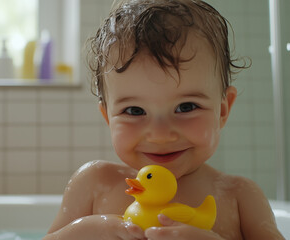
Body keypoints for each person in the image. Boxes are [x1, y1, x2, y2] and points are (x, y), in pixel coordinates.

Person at [44, 0, 284, 239]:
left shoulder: (238, 196)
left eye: (186, 107)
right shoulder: (94, 184)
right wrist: (83, 232)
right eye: (135, 111)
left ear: (222, 111)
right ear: (108, 117)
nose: (160, 135)